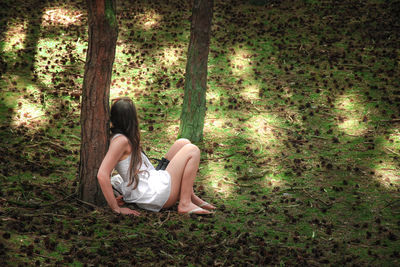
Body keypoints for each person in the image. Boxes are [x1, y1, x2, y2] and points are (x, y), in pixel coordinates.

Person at [97, 97, 216, 215]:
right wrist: (116, 208)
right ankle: (185, 203)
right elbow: (102, 174)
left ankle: (190, 196)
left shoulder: (121, 137)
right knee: (192, 150)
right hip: (155, 194)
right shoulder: (120, 141)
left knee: (183, 143)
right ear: (132, 119)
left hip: (152, 179)